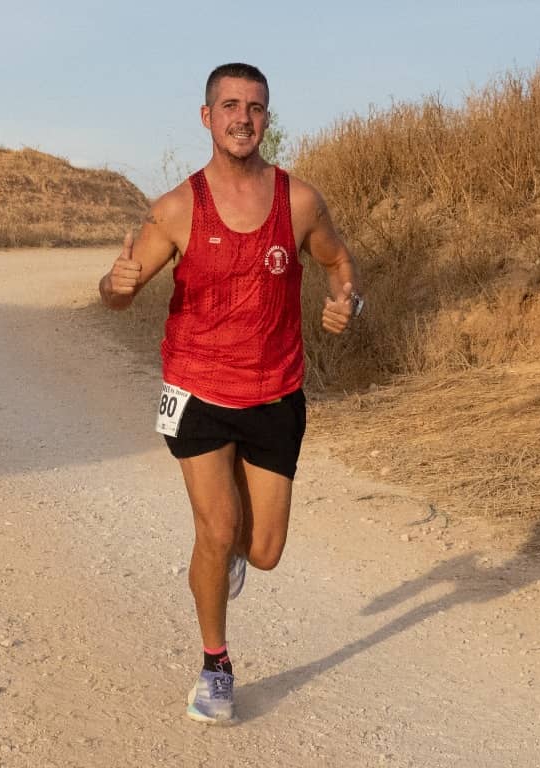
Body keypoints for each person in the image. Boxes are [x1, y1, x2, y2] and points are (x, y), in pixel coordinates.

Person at [98, 62, 363, 725]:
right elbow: (117, 293)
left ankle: (230, 557)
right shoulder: (177, 208)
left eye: (255, 107)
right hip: (197, 390)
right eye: (230, 106)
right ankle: (215, 666)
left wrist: (346, 301)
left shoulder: (300, 202)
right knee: (215, 529)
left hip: (276, 391)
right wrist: (116, 285)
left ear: (266, 118)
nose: (243, 118)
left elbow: (337, 261)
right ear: (207, 117)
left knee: (263, 550)